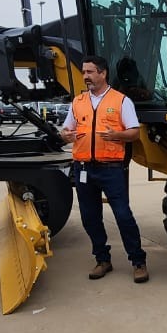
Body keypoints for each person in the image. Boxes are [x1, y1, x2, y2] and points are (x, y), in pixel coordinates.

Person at [59, 55, 149, 283]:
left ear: (103, 73)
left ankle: (138, 261)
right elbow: (65, 131)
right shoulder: (78, 102)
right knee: (90, 218)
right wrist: (65, 135)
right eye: (84, 72)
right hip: (83, 169)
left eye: (90, 72)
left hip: (111, 169)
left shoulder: (121, 101)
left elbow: (134, 132)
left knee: (123, 216)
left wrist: (117, 135)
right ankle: (102, 260)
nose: (85, 76)